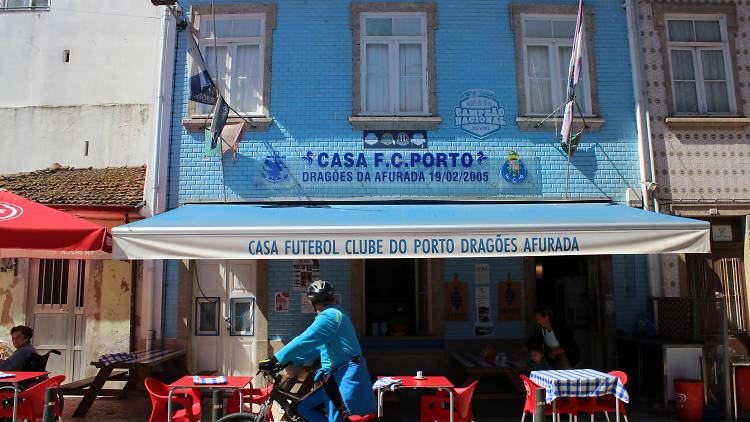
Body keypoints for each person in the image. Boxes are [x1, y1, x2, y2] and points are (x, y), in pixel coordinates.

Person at [258, 280, 377, 422]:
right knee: (302, 408)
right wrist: (291, 361)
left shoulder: (329, 317)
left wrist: (275, 359)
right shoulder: (336, 314)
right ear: (332, 298)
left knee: (334, 417)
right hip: (334, 377)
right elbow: (317, 348)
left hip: (341, 378)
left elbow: (303, 340)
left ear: (311, 303)